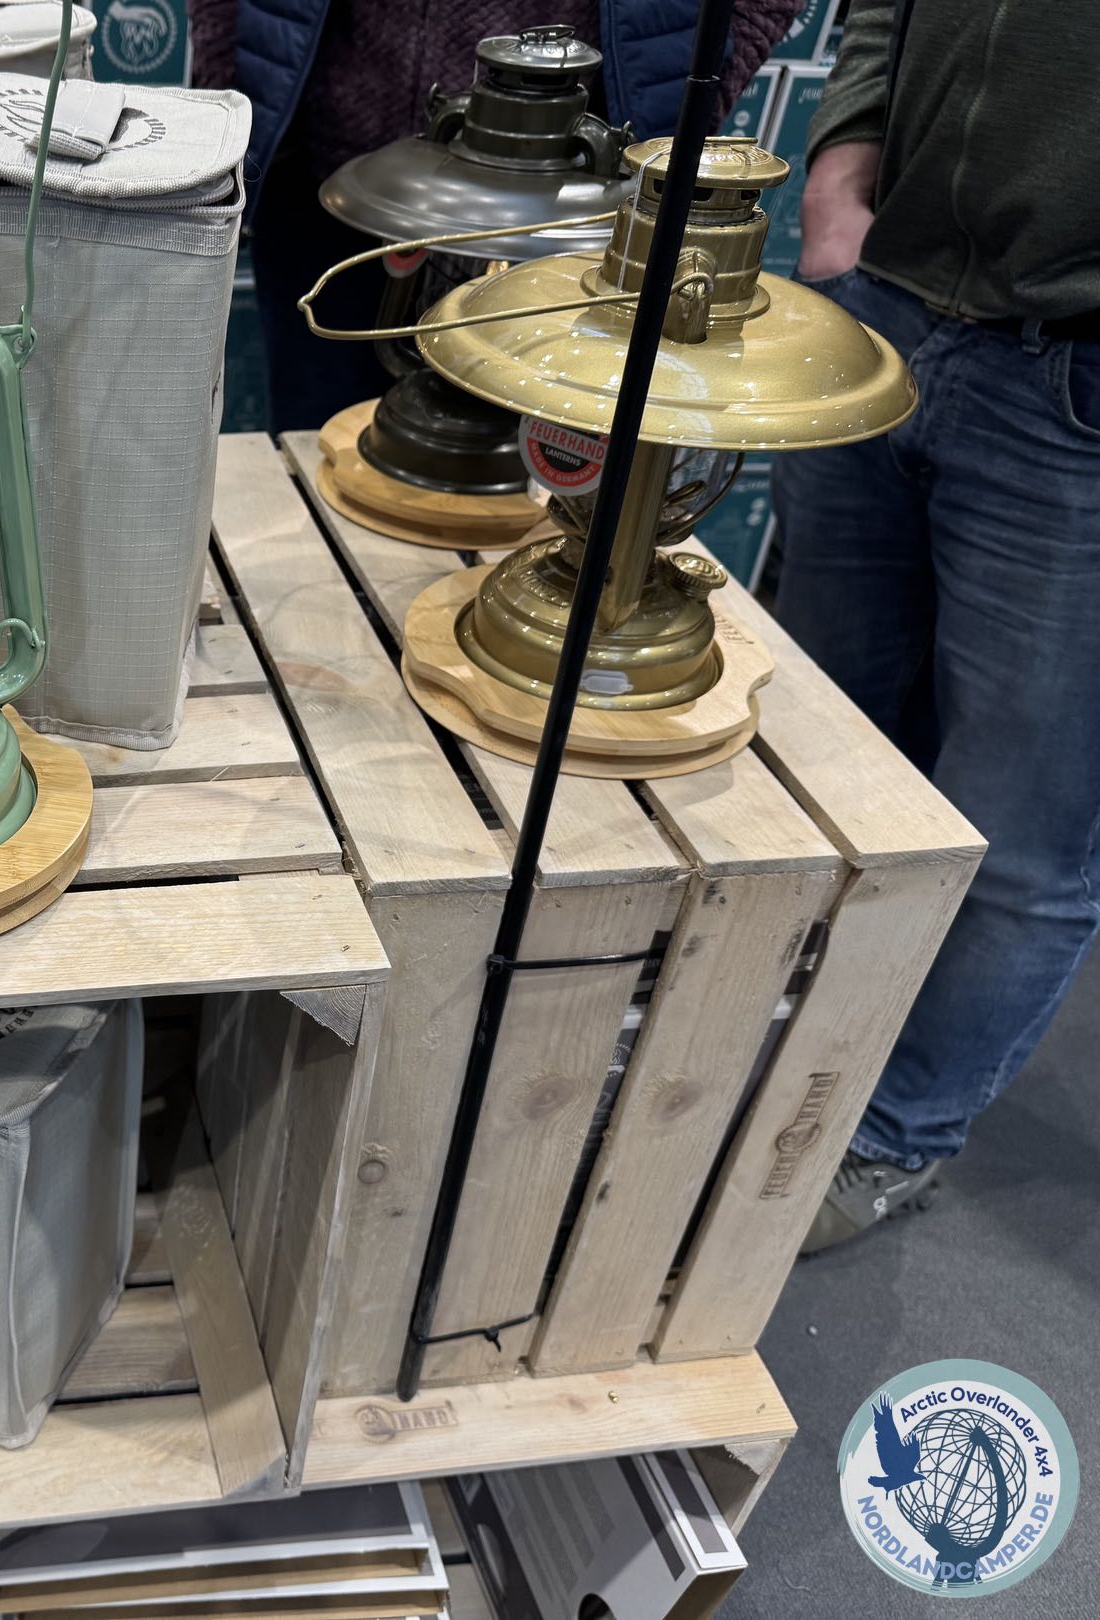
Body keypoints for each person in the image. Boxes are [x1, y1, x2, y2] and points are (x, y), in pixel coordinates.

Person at [772, 2, 1100, 1252]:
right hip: (889, 303)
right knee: (821, 744)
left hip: (1077, 381)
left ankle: (891, 1130)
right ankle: (767, 1028)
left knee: (1020, 831)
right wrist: (842, 170)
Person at [187, 0, 800, 430]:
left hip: (563, 212)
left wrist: (687, 107)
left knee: (531, 480)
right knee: (318, 443)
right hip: (327, 181)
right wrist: (234, 81)